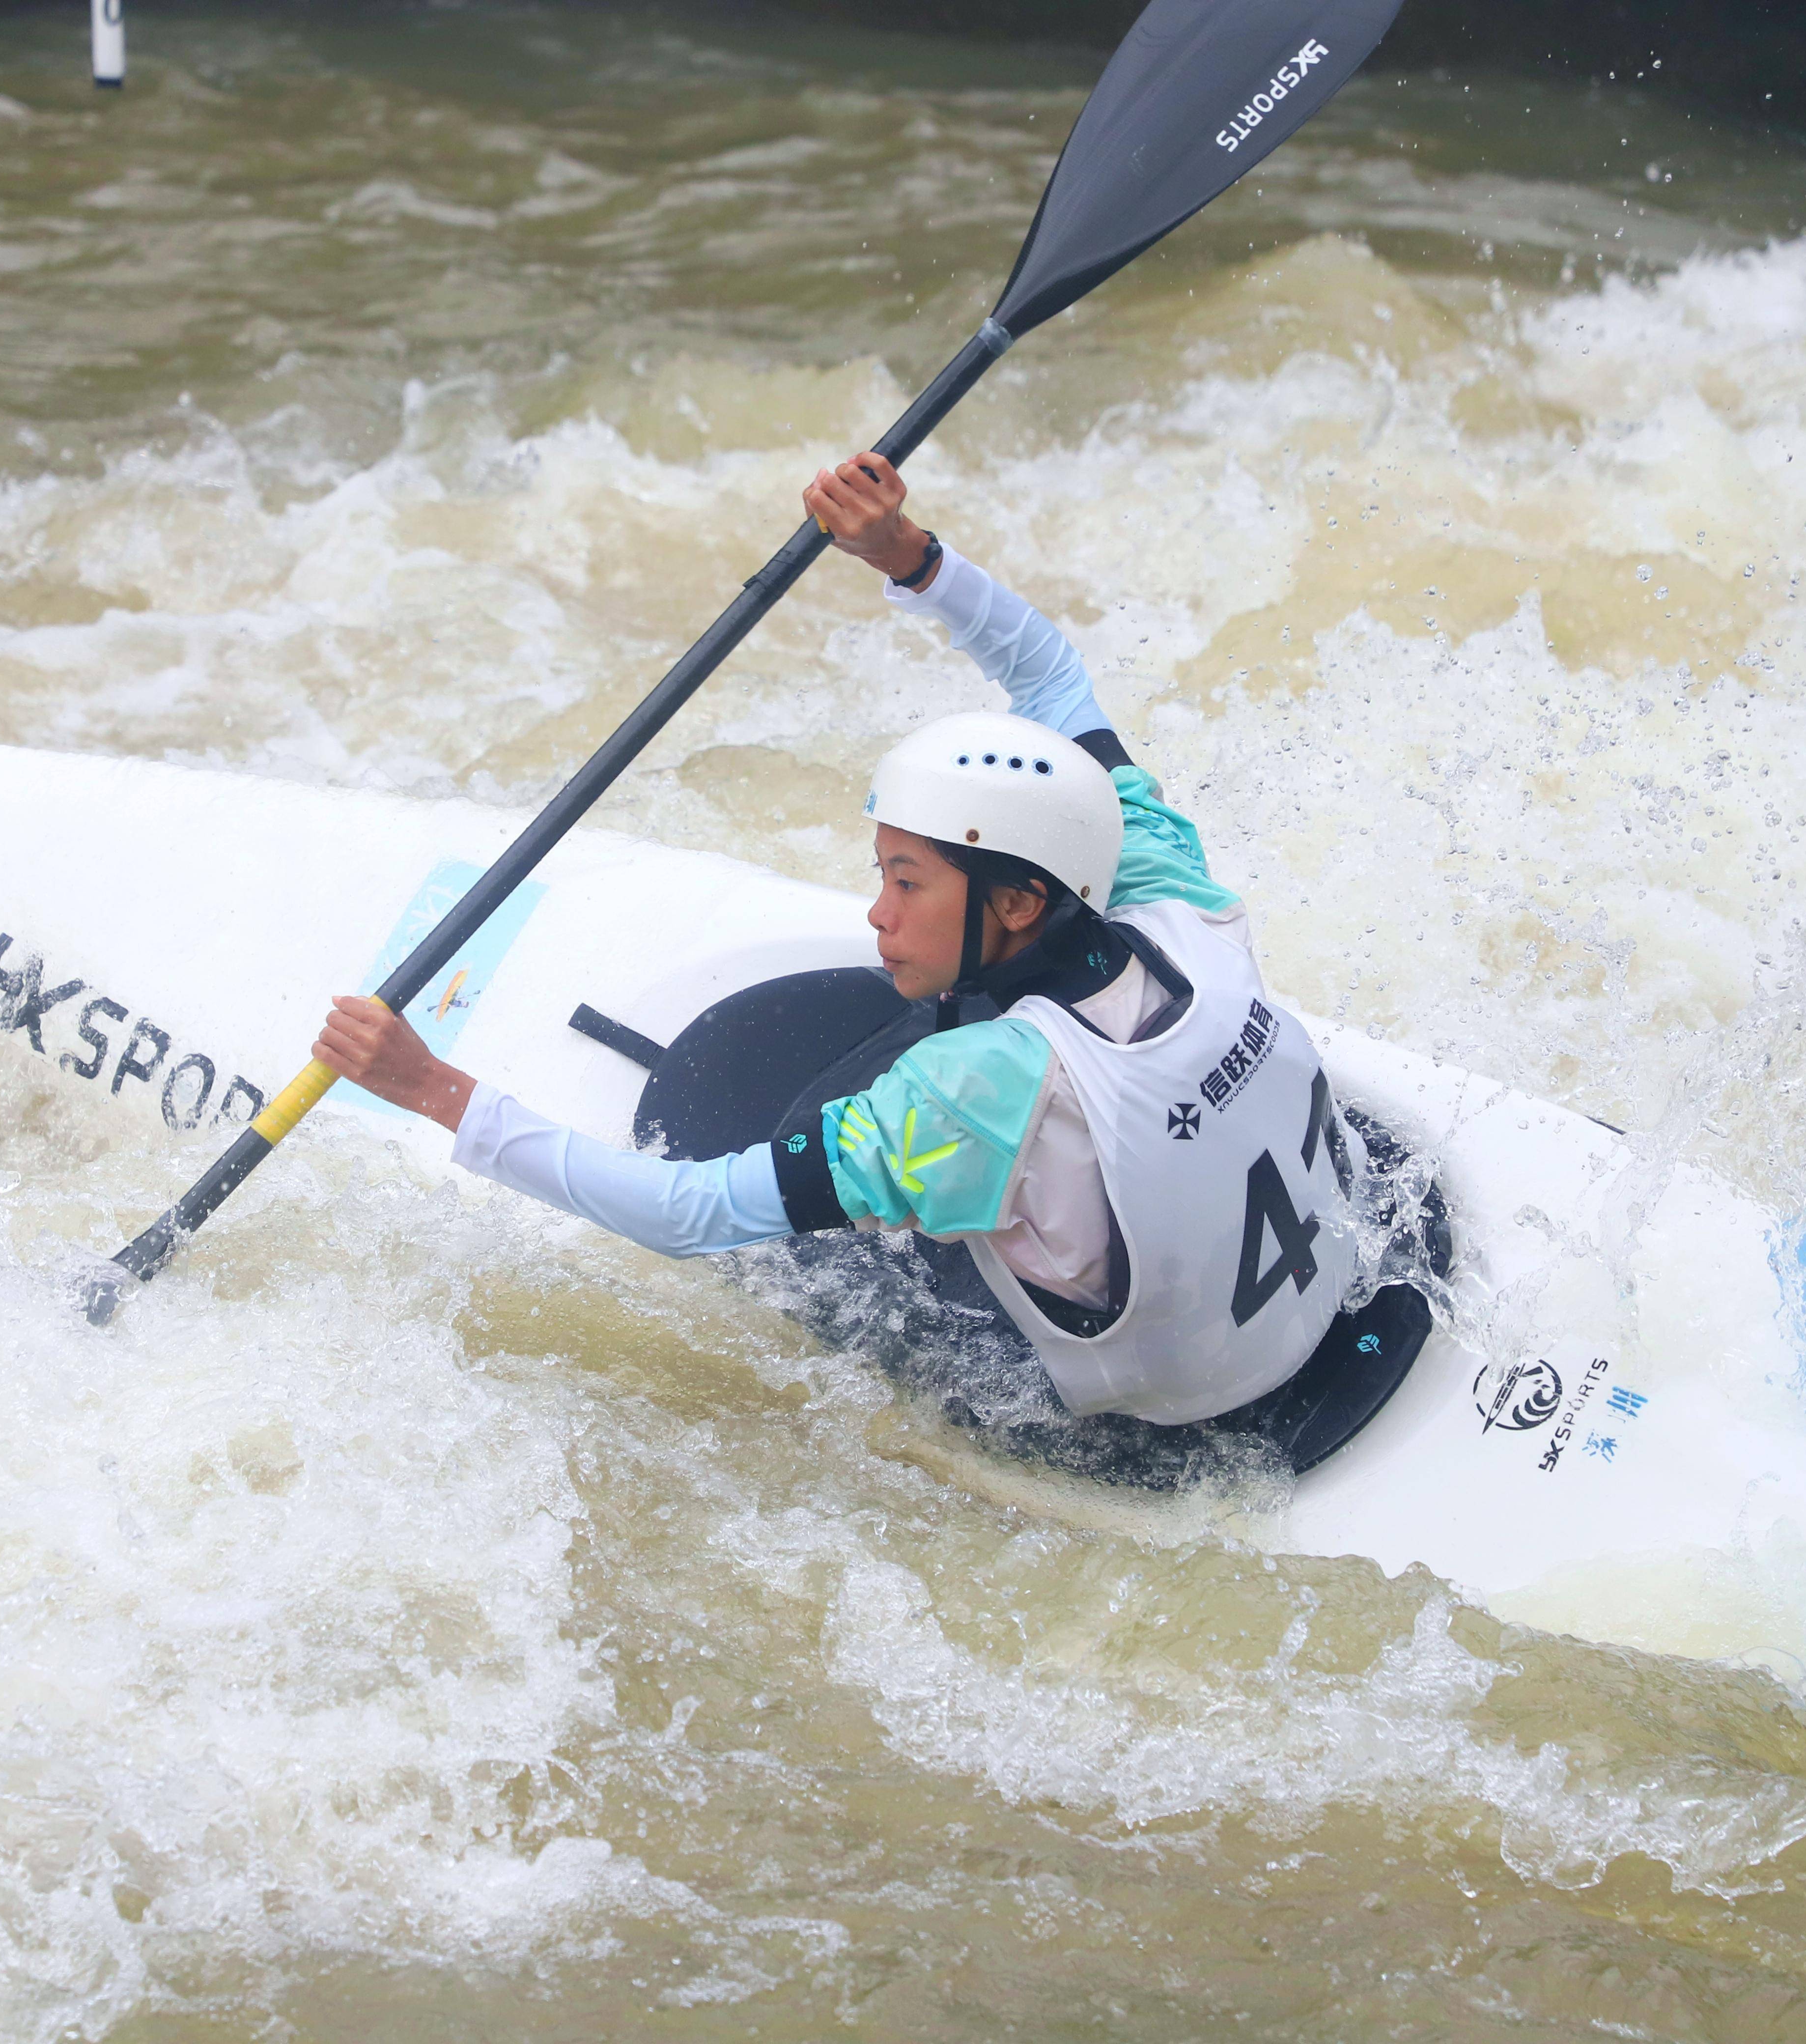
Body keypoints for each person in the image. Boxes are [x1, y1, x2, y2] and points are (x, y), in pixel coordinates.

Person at [314, 452, 1356, 1428]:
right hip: (1298, 1301)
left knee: (802, 1223)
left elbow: (688, 1212)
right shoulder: (1175, 896)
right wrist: (913, 558)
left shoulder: (972, 1095)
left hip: (1167, 1408)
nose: (877, 915)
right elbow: (1055, 685)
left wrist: (435, 1091)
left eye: (907, 881)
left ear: (1021, 901)